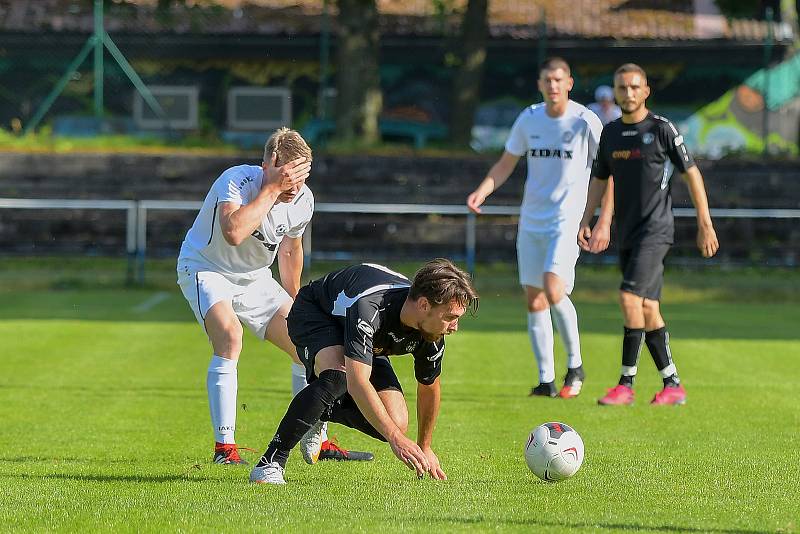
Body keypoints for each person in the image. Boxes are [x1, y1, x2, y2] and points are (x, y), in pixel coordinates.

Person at [177, 127, 371, 464]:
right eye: (287, 177)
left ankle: (316, 438)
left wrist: (299, 303)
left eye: (300, 179)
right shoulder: (236, 180)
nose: (293, 188)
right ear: (268, 164)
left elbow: (291, 249)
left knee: (309, 348)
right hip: (206, 268)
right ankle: (225, 449)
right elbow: (235, 232)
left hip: (255, 279)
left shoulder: (303, 198)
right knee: (230, 336)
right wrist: (271, 188)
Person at [249, 259, 479, 485]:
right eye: (450, 317)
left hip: (361, 335)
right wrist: (396, 440)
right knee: (339, 376)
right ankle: (270, 462)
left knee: (396, 422)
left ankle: (321, 411)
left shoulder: (432, 333)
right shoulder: (371, 307)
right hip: (316, 312)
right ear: (424, 305)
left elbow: (429, 387)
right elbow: (357, 381)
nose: (454, 327)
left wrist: (424, 446)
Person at [467, 57, 609, 399]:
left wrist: (600, 218)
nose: (553, 86)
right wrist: (482, 190)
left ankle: (575, 365)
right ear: (540, 83)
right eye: (548, 80)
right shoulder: (529, 118)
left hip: (568, 220)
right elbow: (505, 164)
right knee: (534, 300)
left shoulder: (585, 120)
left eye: (559, 80)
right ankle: (545, 379)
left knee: (553, 287)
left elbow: (606, 173)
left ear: (569, 83)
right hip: (532, 220)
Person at [578, 63, 719, 406]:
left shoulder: (662, 129)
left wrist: (705, 222)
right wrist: (588, 218)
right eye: (622, 88)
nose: (628, 93)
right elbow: (599, 179)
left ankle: (625, 384)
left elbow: (692, 173)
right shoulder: (610, 133)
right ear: (615, 91)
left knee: (629, 298)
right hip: (627, 232)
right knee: (648, 307)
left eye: (634, 87)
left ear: (646, 91)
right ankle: (673, 384)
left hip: (656, 231)